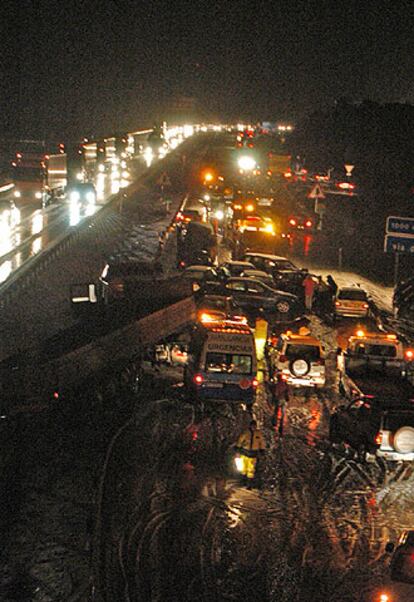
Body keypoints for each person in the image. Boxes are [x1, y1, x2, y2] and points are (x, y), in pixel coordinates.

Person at [234, 420, 266, 488]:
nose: (253, 427)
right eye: (252, 425)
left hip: (253, 453)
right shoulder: (246, 433)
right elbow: (240, 440)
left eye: (254, 426)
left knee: (251, 469)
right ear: (250, 426)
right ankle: (243, 481)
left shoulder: (258, 433)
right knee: (243, 468)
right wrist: (237, 447)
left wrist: (262, 449)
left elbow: (262, 442)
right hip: (245, 452)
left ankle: (249, 483)